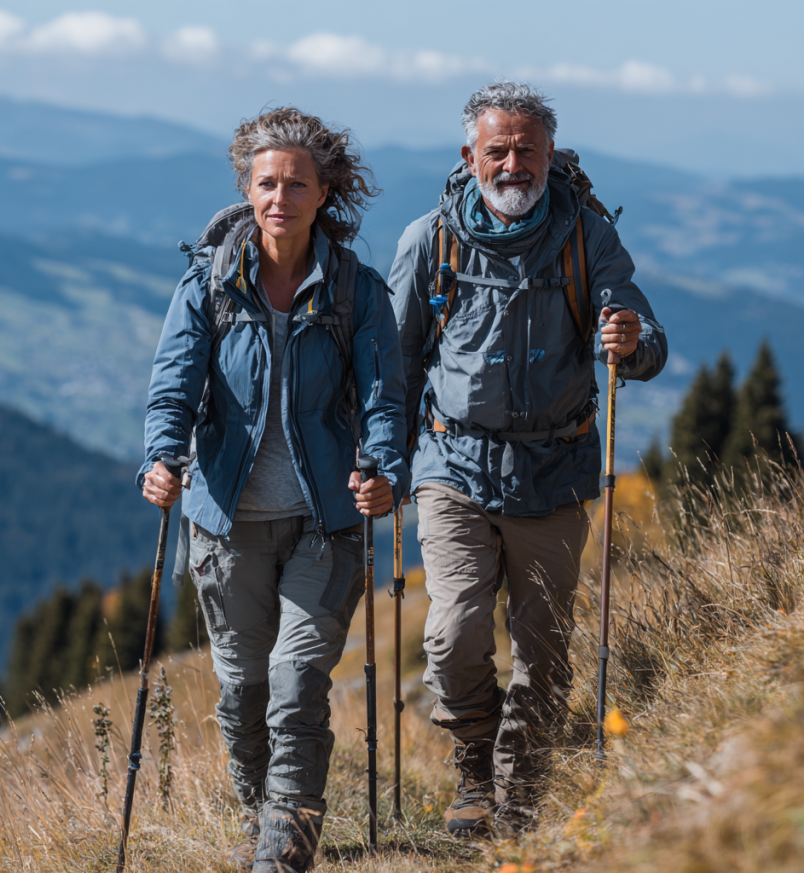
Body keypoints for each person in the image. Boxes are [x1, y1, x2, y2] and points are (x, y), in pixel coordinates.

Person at [389, 82, 667, 837]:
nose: (513, 164)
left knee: (544, 646)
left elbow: (647, 343)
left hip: (554, 469)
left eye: (526, 150)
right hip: (453, 466)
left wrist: (631, 342)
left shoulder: (587, 239)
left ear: (549, 154)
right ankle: (476, 769)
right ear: (468, 156)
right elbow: (395, 362)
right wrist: (383, 457)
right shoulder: (429, 241)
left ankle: (521, 784)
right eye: (497, 150)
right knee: (451, 633)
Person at [139, 107, 409, 872]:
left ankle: (284, 851)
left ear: (324, 193)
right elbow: (171, 390)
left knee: (297, 679)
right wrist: (160, 457)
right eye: (266, 182)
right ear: (246, 188)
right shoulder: (209, 284)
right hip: (226, 525)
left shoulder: (356, 290)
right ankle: (264, 813)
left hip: (324, 524)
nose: (279, 197)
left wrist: (383, 468)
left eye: (296, 183)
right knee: (242, 694)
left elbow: (386, 397)